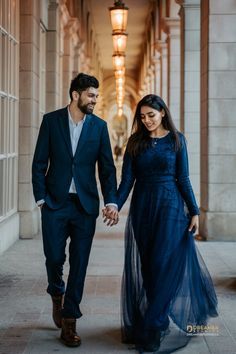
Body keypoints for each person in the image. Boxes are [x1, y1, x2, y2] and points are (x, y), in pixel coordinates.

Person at [104, 94, 218, 353]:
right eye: (142, 117)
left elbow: (183, 178)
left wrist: (194, 211)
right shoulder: (135, 142)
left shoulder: (178, 141)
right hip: (143, 209)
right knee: (149, 268)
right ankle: (160, 319)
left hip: (171, 208)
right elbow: (127, 182)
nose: (147, 121)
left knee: (163, 264)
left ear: (163, 113)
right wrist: (114, 205)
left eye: (151, 115)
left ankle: (154, 325)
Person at [32, 73, 118, 347]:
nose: (95, 100)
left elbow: (107, 169)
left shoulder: (99, 127)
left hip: (85, 206)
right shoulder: (51, 121)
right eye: (91, 95)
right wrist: (41, 199)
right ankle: (56, 292)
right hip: (55, 204)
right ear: (75, 95)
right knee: (54, 258)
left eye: (96, 96)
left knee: (79, 264)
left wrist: (111, 201)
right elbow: (38, 163)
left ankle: (70, 320)